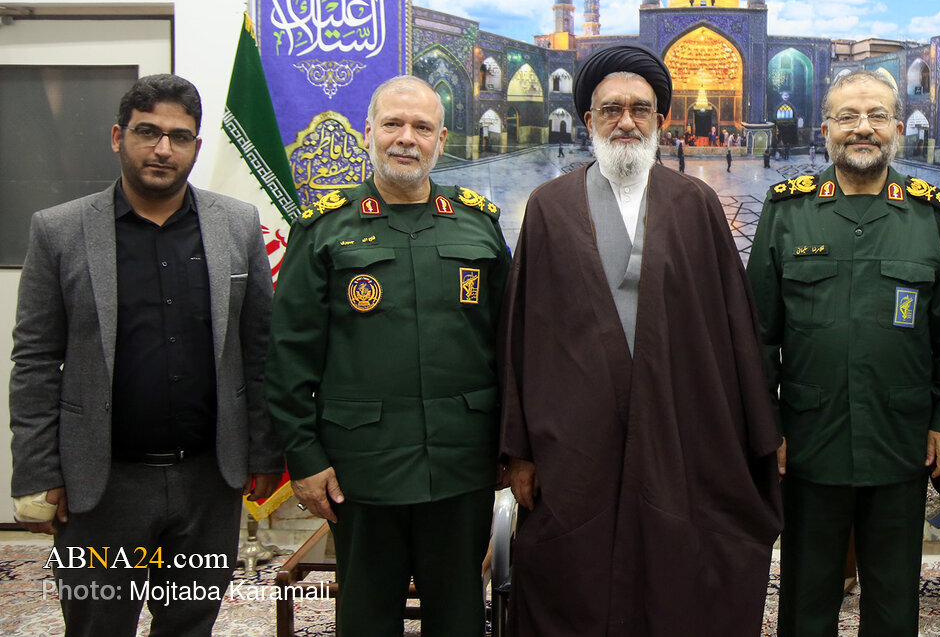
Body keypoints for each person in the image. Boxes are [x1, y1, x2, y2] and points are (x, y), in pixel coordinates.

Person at [500, 44, 783, 636]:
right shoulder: (549, 207)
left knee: (677, 567)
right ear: (588, 120)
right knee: (573, 570)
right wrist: (519, 450)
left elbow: (733, 327)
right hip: (574, 435)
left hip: (678, 425)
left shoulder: (696, 203)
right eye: (611, 110)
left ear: (661, 119)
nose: (625, 121)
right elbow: (521, 331)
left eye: (640, 109)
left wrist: (759, 431)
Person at [9, 74, 282, 636]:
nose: (163, 149)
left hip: (207, 481)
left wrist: (263, 451)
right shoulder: (59, 231)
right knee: (97, 625)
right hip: (102, 485)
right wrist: (39, 471)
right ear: (118, 136)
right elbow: (35, 361)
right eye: (147, 132)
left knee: (190, 623)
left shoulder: (235, 225)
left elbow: (258, 349)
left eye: (179, 137)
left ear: (196, 147)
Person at [266, 76, 510, 636]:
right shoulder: (325, 228)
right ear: (367, 133)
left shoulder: (478, 223)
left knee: (459, 619)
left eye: (422, 127)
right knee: (366, 620)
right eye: (392, 124)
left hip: (460, 465)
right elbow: (289, 354)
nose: (406, 138)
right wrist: (303, 457)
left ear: (440, 139)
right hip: (361, 469)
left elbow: (508, 345)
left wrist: (510, 447)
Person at [747, 70, 940, 637]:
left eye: (876, 116)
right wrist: (767, 427)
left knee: (894, 597)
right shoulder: (787, 209)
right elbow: (758, 335)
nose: (862, 128)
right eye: (848, 116)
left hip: (900, 439)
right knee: (806, 596)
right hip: (809, 440)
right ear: (825, 129)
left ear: (897, 128)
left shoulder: (931, 213)